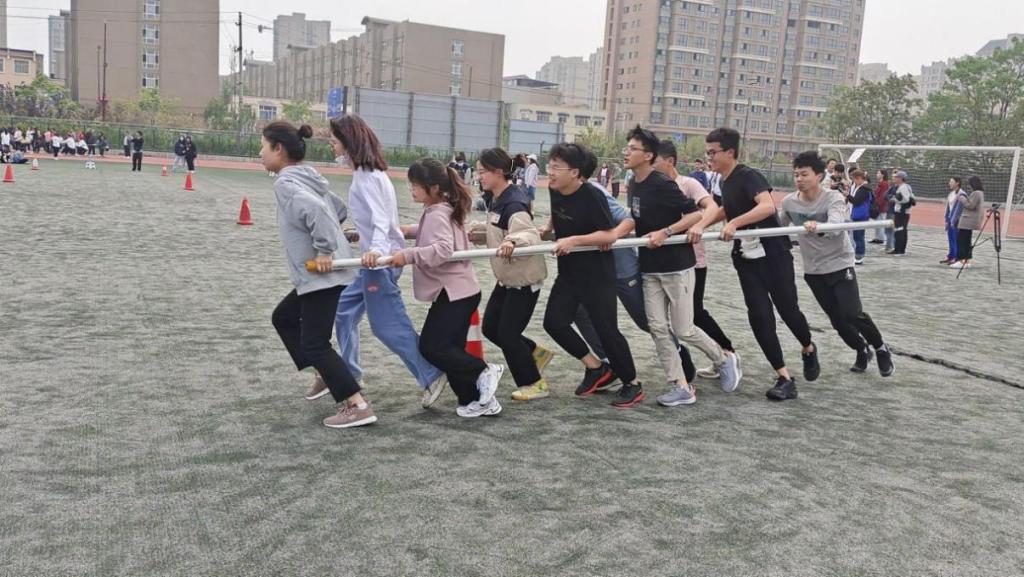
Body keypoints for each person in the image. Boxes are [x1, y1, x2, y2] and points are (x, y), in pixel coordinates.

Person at [688, 128, 817, 402]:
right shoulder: (722, 180)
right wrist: (700, 225)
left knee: (789, 311)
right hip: (746, 259)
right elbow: (725, 208)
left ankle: (808, 347)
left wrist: (735, 223)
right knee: (759, 316)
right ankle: (784, 377)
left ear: (730, 152)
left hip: (774, 255)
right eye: (707, 152)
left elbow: (767, 206)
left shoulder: (749, 175)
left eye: (712, 152)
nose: (708, 157)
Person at [328, 114, 447, 407]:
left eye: (335, 140)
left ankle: (431, 374)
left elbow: (382, 221)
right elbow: (379, 221)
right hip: (373, 261)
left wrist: (376, 251)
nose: (332, 145)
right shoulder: (369, 174)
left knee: (387, 325)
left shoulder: (367, 178)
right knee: (342, 311)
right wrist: (363, 236)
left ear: (348, 142)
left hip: (379, 265)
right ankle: (350, 374)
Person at [262, 121, 375, 429]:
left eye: (263, 146)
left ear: (278, 149)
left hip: (321, 275)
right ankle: (327, 374)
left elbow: (317, 211)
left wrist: (325, 250)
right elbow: (337, 208)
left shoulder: (286, 183)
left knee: (315, 344)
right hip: (322, 275)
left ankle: (357, 404)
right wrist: (332, 240)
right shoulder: (307, 175)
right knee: (284, 317)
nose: (260, 153)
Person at [625, 128, 741, 406]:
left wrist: (666, 232)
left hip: (677, 266)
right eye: (627, 148)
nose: (626, 153)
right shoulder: (633, 183)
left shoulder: (663, 184)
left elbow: (695, 215)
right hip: (649, 268)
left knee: (684, 329)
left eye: (632, 149)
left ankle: (723, 358)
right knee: (658, 329)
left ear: (648, 156)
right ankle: (680, 386)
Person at [390, 158, 504, 417]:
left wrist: (407, 256)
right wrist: (406, 230)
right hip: (460, 290)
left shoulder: (438, 213)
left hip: (455, 292)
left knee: (433, 347)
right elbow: (432, 233)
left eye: (415, 185)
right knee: (451, 348)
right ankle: (474, 399)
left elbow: (442, 249)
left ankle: (484, 371)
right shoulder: (442, 208)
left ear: (433, 187)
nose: (412, 190)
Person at [540, 142, 643, 408]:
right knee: (554, 322)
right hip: (569, 272)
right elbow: (559, 213)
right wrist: (548, 228)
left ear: (575, 172)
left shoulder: (592, 195)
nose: (550, 171)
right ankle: (596, 367)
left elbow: (608, 235)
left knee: (606, 330)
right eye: (550, 165)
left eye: (556, 167)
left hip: (597, 275)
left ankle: (632, 384)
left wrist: (573, 240)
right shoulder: (554, 188)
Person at [779, 152, 895, 377]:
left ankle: (881, 348)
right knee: (838, 321)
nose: (799, 179)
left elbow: (836, 226)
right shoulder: (789, 202)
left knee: (852, 313)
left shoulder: (833, 198)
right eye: (796, 175)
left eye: (804, 174)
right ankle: (861, 349)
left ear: (819, 176)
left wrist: (818, 226)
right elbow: (778, 227)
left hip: (839, 264)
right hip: (813, 269)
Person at [469, 147, 553, 401]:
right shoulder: (496, 197)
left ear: (498, 172)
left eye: (482, 172)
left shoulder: (514, 202)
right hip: (506, 279)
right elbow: (497, 228)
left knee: (507, 335)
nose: (479, 176)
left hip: (524, 280)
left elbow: (528, 234)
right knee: (491, 328)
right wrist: (478, 232)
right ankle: (534, 353)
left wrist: (513, 241)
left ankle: (534, 383)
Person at [654, 140, 738, 380]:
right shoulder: (651, 186)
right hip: (663, 262)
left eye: (654, 161)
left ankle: (727, 352)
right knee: (668, 318)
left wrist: (699, 225)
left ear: (669, 161)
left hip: (692, 261)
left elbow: (711, 207)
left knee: (695, 313)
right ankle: (696, 359)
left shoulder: (688, 184)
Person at [952, 176, 984, 268]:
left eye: (970, 183)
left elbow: (971, 206)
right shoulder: (980, 193)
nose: (969, 186)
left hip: (968, 220)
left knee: (961, 241)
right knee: (967, 241)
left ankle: (960, 261)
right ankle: (966, 261)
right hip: (970, 220)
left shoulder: (976, 193)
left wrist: (962, 199)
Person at [847, 169, 873, 265]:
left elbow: (856, 201)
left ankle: (859, 256)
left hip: (860, 215)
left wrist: (847, 195)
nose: (853, 182)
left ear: (858, 178)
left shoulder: (864, 189)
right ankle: (857, 255)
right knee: (857, 236)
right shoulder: (861, 188)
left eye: (854, 179)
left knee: (859, 236)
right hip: (858, 214)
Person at [941, 177, 966, 265]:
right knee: (951, 238)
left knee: (956, 239)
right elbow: (948, 208)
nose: (949, 183)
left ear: (957, 183)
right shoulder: (951, 194)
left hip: (957, 220)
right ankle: (951, 256)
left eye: (951, 182)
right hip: (950, 219)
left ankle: (956, 257)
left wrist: (953, 220)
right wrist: (947, 219)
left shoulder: (962, 194)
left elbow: (959, 209)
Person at [890, 171, 914, 256]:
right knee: (902, 230)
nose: (895, 178)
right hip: (903, 212)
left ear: (901, 178)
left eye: (896, 177)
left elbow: (906, 199)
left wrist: (895, 199)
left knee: (899, 230)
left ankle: (899, 250)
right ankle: (900, 249)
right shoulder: (906, 186)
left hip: (902, 212)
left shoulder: (903, 187)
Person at [871, 169, 890, 244]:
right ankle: (877, 237)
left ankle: (881, 238)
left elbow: (883, 196)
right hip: (878, 205)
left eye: (878, 173)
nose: (877, 174)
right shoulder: (880, 183)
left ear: (882, 175)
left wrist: (877, 204)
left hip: (882, 207)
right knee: (877, 222)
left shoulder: (884, 184)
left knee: (880, 222)